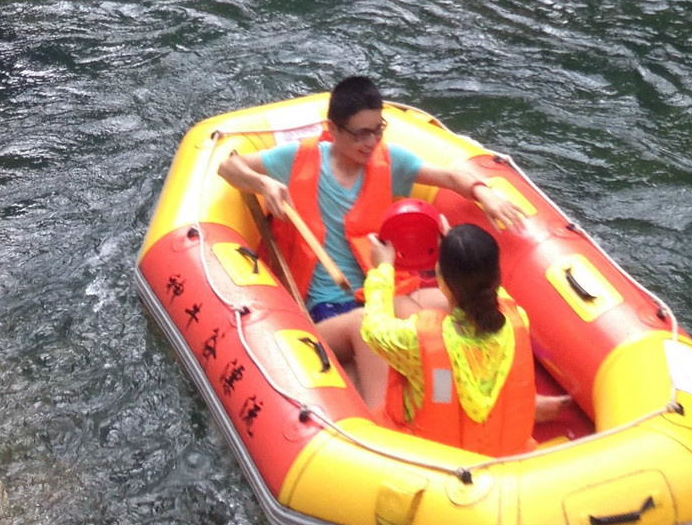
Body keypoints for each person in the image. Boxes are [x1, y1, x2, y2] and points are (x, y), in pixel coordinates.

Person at [215, 76, 529, 404]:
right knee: (367, 329)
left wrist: (485, 194)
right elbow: (228, 166)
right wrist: (262, 183)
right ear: (333, 130)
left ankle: (502, 396)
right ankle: (383, 423)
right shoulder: (299, 159)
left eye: (378, 129)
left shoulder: (389, 161)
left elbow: (449, 177)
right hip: (324, 309)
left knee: (455, 306)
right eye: (361, 133)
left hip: (378, 292)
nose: (372, 141)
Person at [362, 222, 567, 449]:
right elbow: (488, 287)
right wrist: (463, 248)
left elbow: (373, 329)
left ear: (441, 280)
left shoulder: (416, 342)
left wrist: (382, 270)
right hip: (504, 462)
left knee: (408, 396)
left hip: (439, 467)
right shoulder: (518, 319)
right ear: (497, 276)